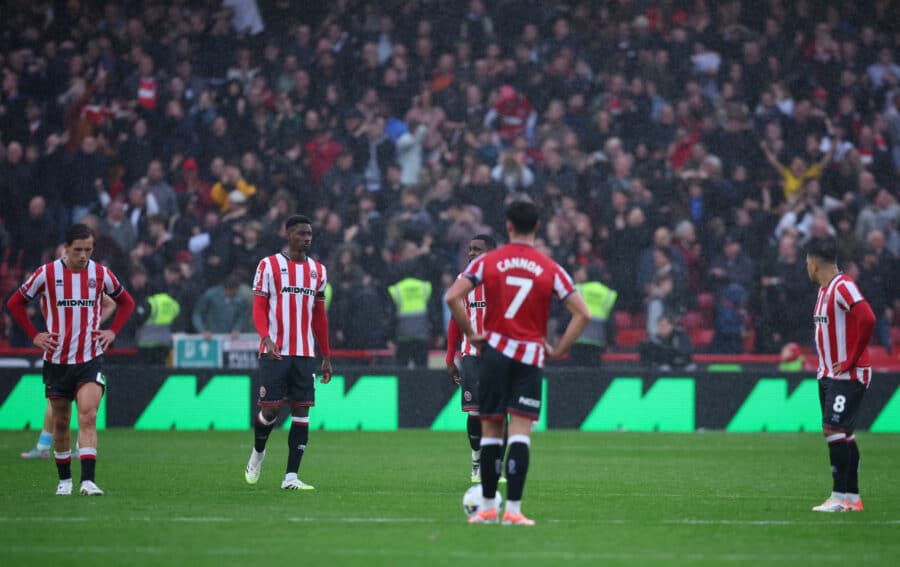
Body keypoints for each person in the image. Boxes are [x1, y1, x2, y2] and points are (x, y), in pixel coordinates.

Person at [445, 201, 590, 526]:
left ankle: (485, 509)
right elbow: (583, 313)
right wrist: (558, 349)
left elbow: (452, 297)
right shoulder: (550, 267)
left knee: (492, 432)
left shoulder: (489, 262)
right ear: (536, 228)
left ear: (508, 227)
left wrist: (472, 332)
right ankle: (513, 510)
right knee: (521, 434)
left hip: (493, 355)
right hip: (529, 356)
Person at [6, 224, 135, 495]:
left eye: (89, 250)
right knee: (62, 423)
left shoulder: (100, 274)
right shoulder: (47, 273)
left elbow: (127, 302)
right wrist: (34, 335)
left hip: (90, 358)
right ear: (66, 248)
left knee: (88, 416)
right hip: (57, 360)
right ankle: (64, 480)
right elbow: (14, 303)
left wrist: (112, 331)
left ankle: (88, 481)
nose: (84, 255)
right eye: (78, 250)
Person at [244, 215, 333, 490]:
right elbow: (259, 306)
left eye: (310, 233)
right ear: (288, 235)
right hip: (275, 351)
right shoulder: (268, 265)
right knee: (270, 410)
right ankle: (258, 452)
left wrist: (326, 355)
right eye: (301, 233)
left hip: (305, 353)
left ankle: (291, 477)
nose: (307, 238)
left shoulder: (318, 271)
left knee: (301, 411)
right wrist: (265, 337)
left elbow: (319, 316)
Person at [806, 237, 875, 513]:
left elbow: (868, 318)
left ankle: (838, 497)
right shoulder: (824, 290)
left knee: (833, 430)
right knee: (842, 433)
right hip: (829, 374)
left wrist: (850, 359)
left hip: (848, 374)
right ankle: (851, 499)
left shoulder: (842, 286)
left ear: (813, 263)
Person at [21, 293, 117, 459]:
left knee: (84, 403)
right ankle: (44, 446)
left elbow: (111, 304)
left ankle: (79, 447)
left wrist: (92, 324)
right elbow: (47, 312)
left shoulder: (86, 283)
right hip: (62, 352)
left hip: (85, 353)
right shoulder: (52, 288)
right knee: (55, 400)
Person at [445, 234, 498, 483]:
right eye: (470, 249)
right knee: (475, 413)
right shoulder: (461, 282)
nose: (471, 253)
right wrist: (449, 357)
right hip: (472, 356)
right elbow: (456, 321)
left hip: (499, 356)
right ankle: (477, 462)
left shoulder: (503, 281)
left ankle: (494, 466)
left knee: (498, 413)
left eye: (478, 249)